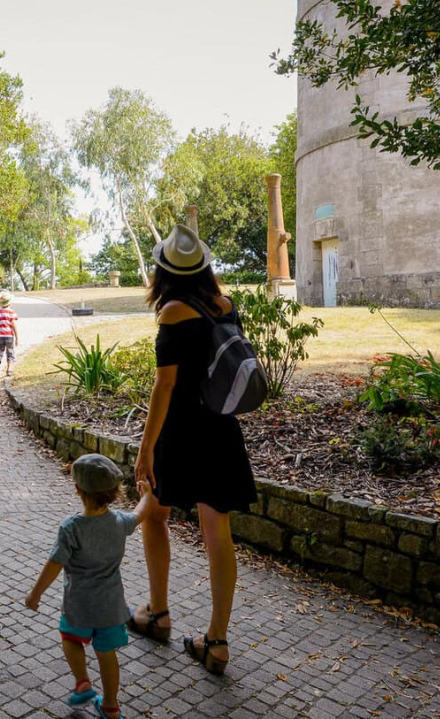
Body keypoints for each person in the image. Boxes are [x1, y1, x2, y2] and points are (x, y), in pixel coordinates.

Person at [126, 208, 260, 676]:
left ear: (163, 272)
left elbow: (164, 388)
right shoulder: (224, 306)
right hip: (221, 430)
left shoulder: (172, 313)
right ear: (203, 268)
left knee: (155, 516)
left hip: (180, 434)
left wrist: (145, 451)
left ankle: (158, 613)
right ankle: (217, 642)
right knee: (217, 535)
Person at [24, 454, 138, 719]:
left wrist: (35, 594)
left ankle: (82, 682)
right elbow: (140, 515)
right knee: (106, 653)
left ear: (78, 489)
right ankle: (110, 706)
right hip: (111, 607)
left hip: (79, 604)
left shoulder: (71, 527)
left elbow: (55, 563)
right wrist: (146, 496)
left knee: (70, 638)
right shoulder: (120, 521)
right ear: (113, 492)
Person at [0, 291, 18, 381]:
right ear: (10, 303)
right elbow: (13, 325)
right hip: (8, 335)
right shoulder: (11, 312)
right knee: (10, 352)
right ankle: (9, 370)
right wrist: (17, 337)